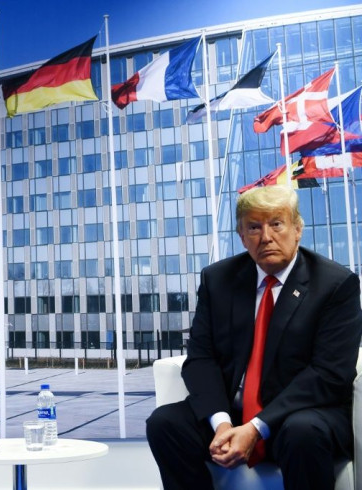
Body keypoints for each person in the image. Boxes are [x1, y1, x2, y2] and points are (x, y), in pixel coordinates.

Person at [147, 185, 362, 490]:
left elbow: (329, 374)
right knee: (165, 423)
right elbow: (201, 359)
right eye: (254, 227)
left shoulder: (335, 285)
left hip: (303, 413)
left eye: (276, 223)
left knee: (303, 432)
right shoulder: (218, 279)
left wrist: (257, 428)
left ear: (297, 229)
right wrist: (222, 424)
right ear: (241, 236)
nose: (266, 236)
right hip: (233, 413)